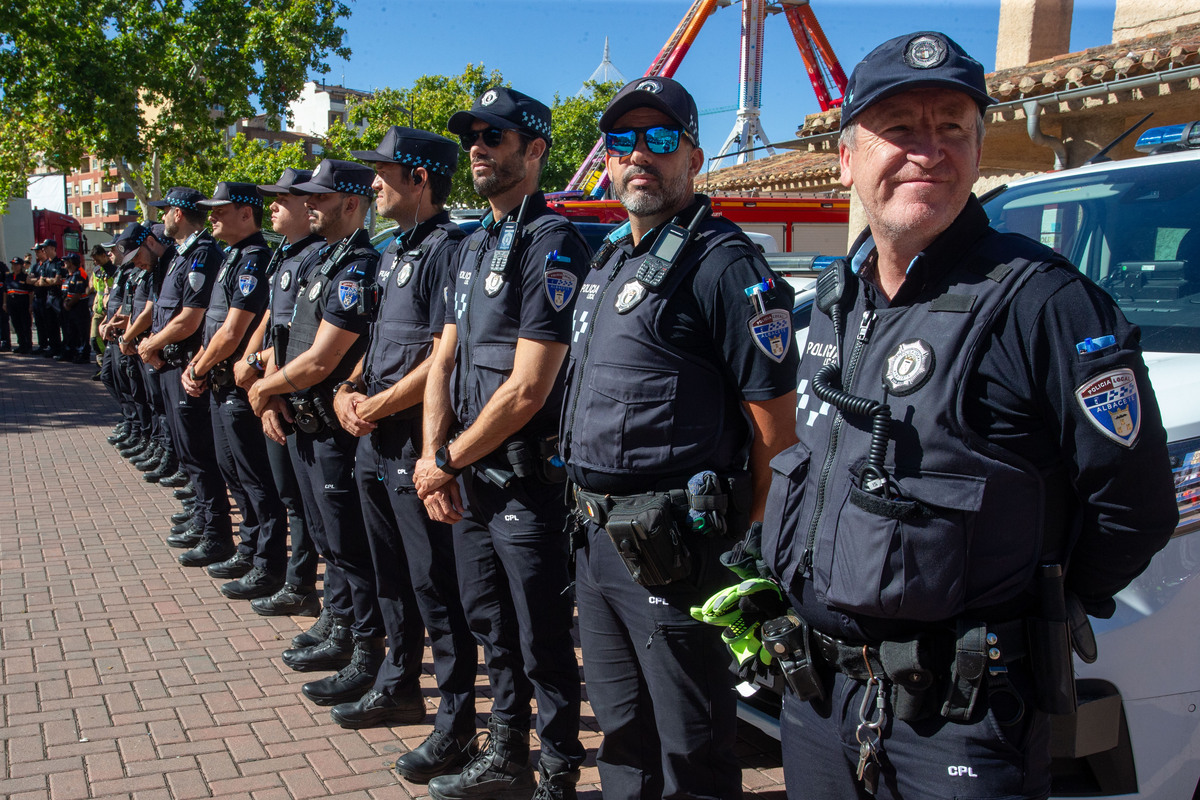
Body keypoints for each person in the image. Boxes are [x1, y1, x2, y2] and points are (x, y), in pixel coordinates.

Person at [758, 31, 1178, 800]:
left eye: (953, 127)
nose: (930, 149)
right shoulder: (837, 301)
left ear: (978, 151)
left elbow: (1136, 508)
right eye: (902, 129)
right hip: (818, 695)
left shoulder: (1043, 301)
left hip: (962, 712)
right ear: (847, 158)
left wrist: (1027, 613)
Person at [561, 77, 800, 800]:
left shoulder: (724, 265)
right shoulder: (610, 260)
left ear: (694, 155)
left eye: (661, 139)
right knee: (623, 729)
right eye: (624, 141)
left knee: (691, 745)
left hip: (677, 553)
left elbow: (776, 433)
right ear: (606, 160)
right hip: (600, 542)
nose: (641, 155)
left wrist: (742, 542)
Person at [414, 87, 589, 800]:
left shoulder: (552, 242)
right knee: (492, 626)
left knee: (543, 637)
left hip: (524, 483)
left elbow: (528, 390)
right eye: (473, 137)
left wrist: (448, 459)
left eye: (496, 136)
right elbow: (444, 361)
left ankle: (557, 770)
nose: (479, 148)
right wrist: (434, 456)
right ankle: (506, 753)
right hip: (468, 476)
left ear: (535, 150)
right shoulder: (473, 242)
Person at [323, 128, 478, 760]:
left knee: (435, 584)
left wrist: (380, 403)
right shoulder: (392, 251)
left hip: (417, 440)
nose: (375, 184)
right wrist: (348, 388)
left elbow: (446, 352)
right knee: (390, 575)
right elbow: (378, 338)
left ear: (419, 179)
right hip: (373, 438)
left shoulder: (450, 249)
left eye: (385, 173)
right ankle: (397, 683)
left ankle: (457, 718)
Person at [247, 159, 386, 708]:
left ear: (351, 204)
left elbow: (324, 357)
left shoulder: (358, 267)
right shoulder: (322, 260)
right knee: (331, 542)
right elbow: (288, 337)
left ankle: (362, 648)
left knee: (351, 548)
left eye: (321, 199)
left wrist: (265, 387)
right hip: (303, 419)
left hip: (334, 430)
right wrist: (275, 388)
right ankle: (338, 623)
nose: (308, 205)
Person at [181, 181, 287, 599]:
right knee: (236, 475)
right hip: (221, 383)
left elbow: (233, 330)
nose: (212, 217)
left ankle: (268, 563)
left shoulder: (255, 258)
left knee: (258, 483)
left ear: (246, 213)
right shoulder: (234, 256)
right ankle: (250, 549)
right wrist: (201, 366)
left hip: (241, 387)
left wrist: (199, 365)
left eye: (220, 210)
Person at [237, 168, 327, 619]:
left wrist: (262, 379)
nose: (271, 205)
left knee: (304, 504)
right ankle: (297, 582)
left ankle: (301, 584)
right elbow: (273, 321)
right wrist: (258, 371)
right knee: (292, 497)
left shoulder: (316, 256)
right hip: (278, 389)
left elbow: (298, 339)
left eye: (281, 198)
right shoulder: (285, 255)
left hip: (296, 394)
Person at [137, 187, 235, 567]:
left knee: (199, 454)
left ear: (178, 214)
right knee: (188, 452)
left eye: (166, 212)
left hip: (186, 366)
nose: (161, 218)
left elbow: (189, 317)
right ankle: (203, 518)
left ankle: (216, 534)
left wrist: (151, 344)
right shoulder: (182, 255)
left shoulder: (202, 254)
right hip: (171, 364)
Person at [30, 239, 65, 356]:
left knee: (63, 325)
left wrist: (47, 281)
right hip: (48, 298)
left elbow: (58, 280)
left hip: (58, 297)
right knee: (50, 325)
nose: (44, 249)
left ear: (52, 248)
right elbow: (41, 282)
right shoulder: (45, 265)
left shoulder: (59, 263)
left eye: (46, 247)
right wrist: (49, 281)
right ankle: (54, 347)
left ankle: (65, 348)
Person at [59, 252, 93, 363]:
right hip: (71, 308)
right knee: (71, 332)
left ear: (72, 262)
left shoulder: (79, 274)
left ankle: (83, 355)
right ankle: (72, 353)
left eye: (66, 261)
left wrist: (68, 304)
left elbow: (77, 294)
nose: (64, 263)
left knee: (82, 332)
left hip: (79, 308)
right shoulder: (70, 275)